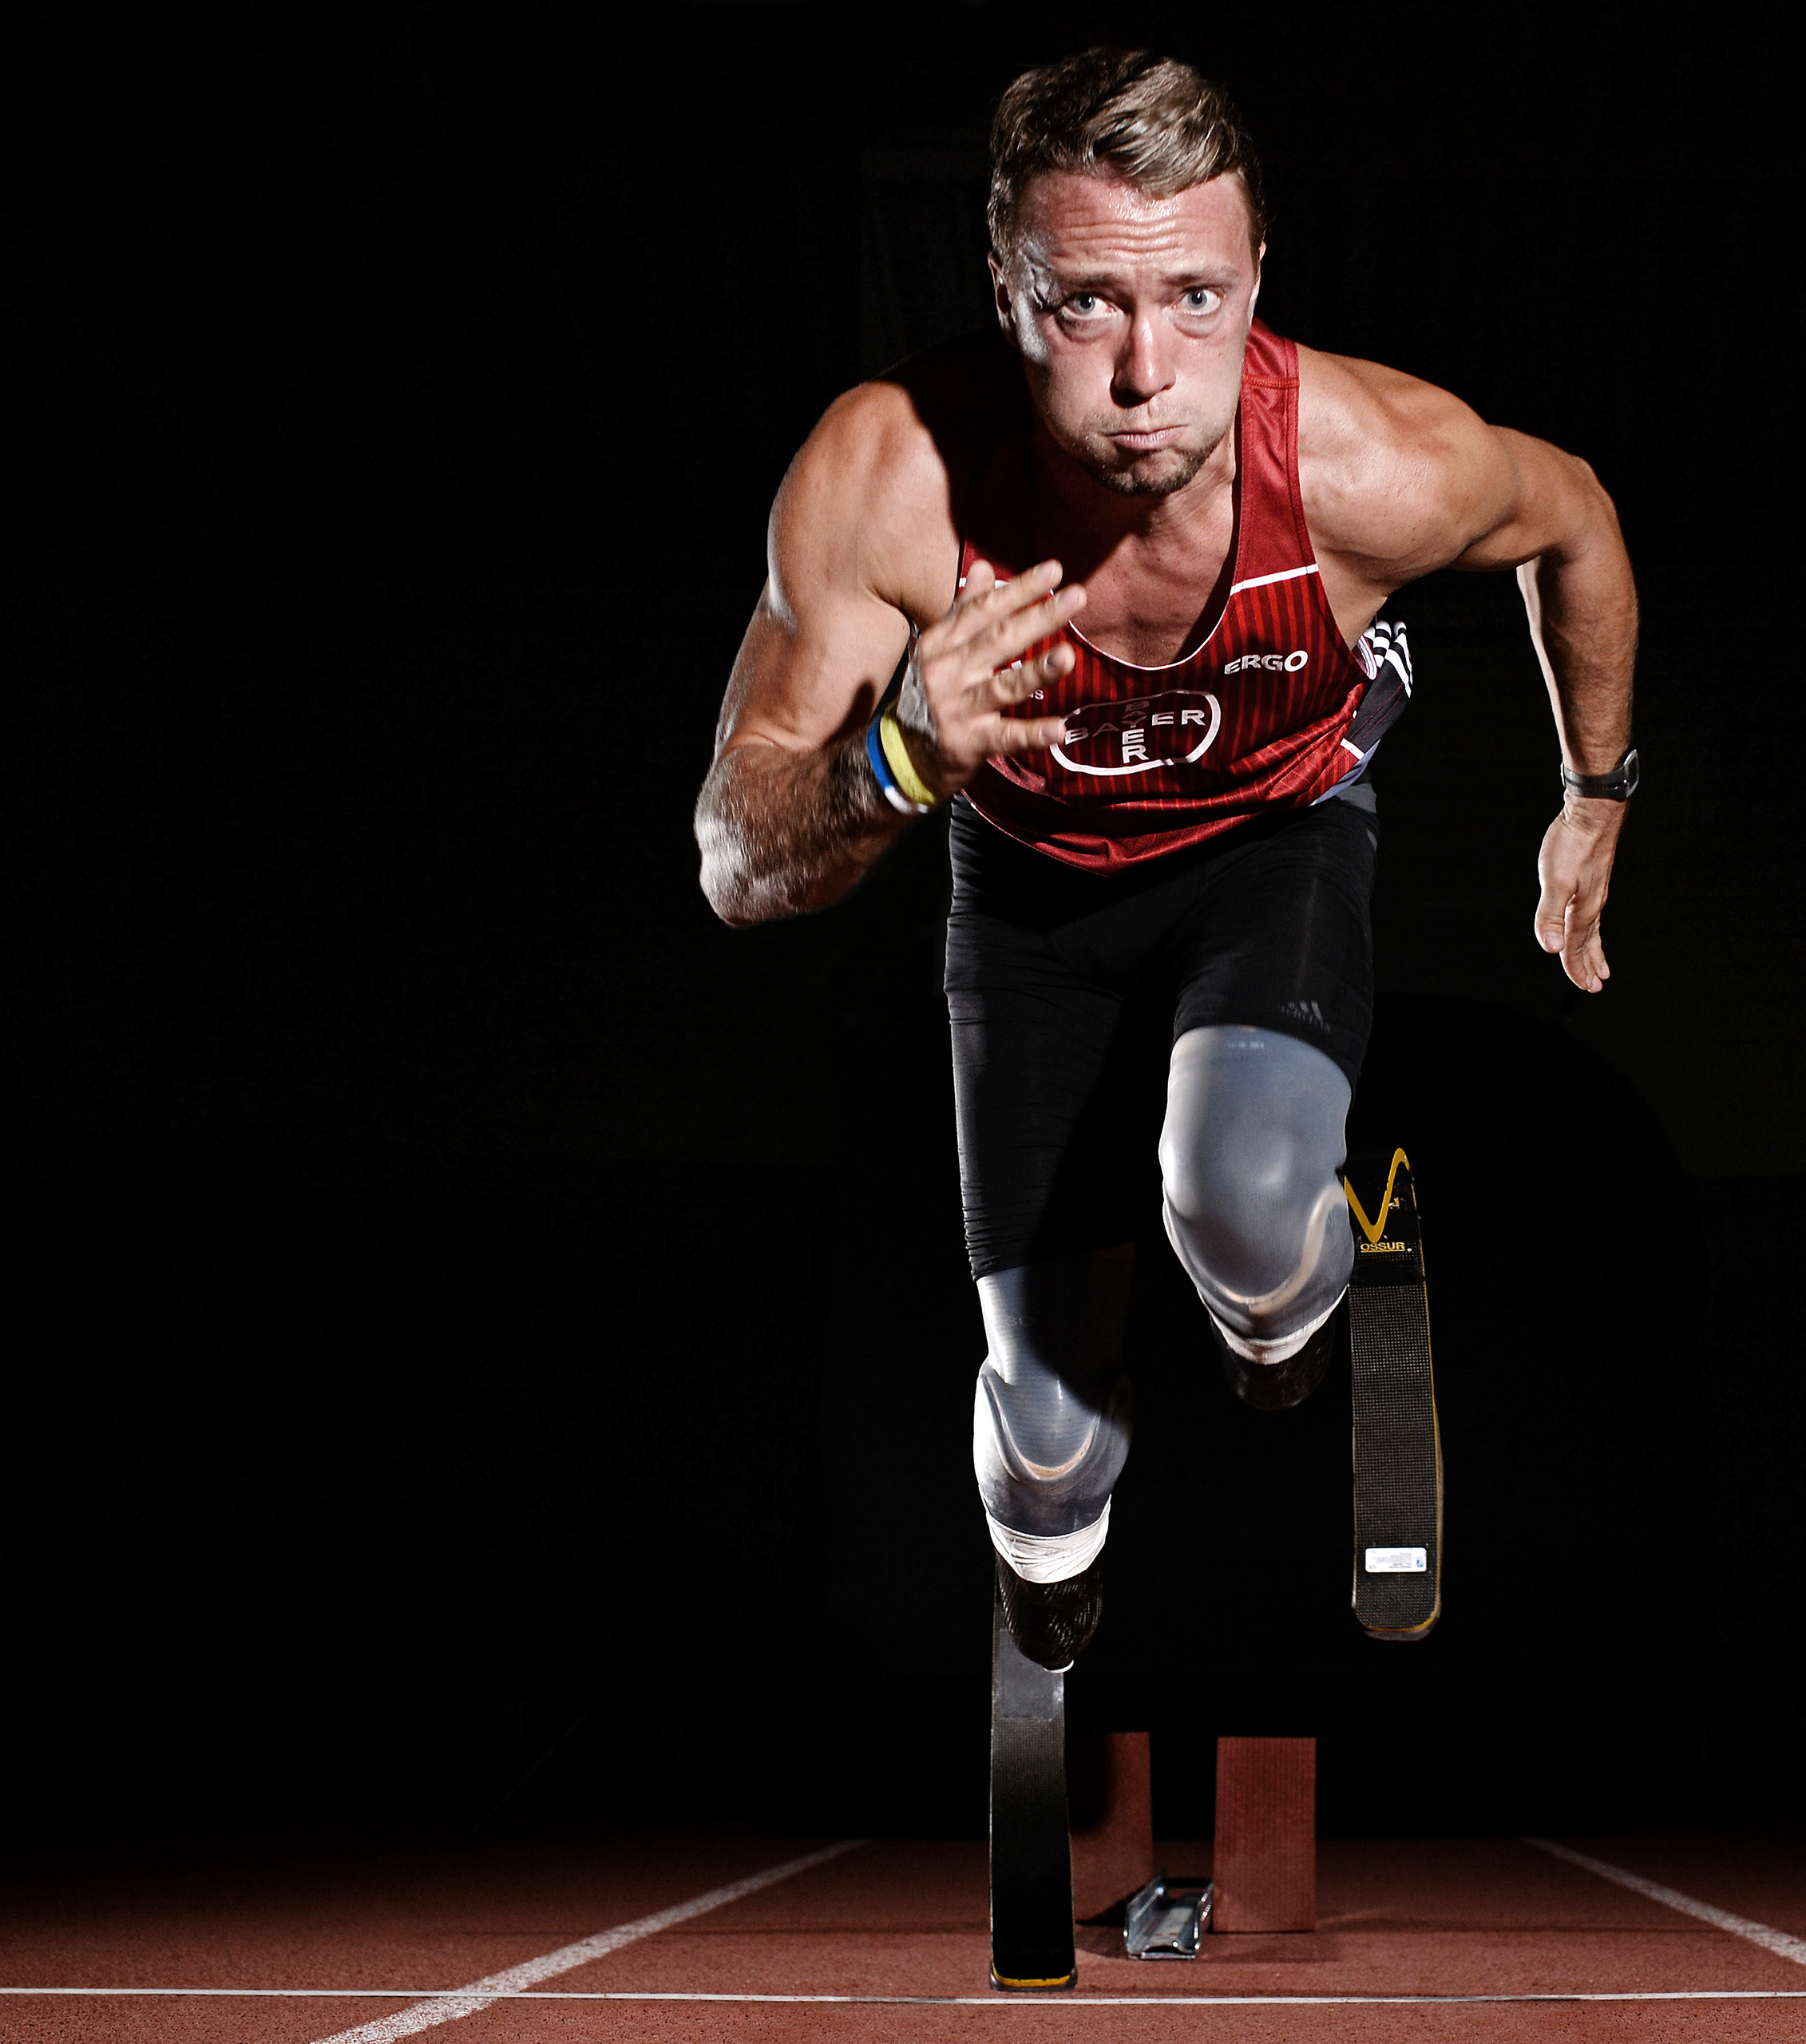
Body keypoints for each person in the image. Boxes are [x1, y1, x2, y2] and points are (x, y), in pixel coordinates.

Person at [695, 49, 1638, 1672]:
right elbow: (735, 848)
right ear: (1005, 290)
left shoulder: (1362, 462)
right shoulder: (893, 484)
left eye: (1197, 298)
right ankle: (1055, 1554)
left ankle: (1294, 1296)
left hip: (1268, 843)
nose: (1149, 371)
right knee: (1049, 1445)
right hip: (1032, 901)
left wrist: (1595, 787)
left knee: (1246, 1203)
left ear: (1256, 275)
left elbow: (1577, 521)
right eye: (1085, 307)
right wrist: (898, 756)